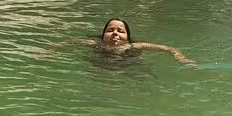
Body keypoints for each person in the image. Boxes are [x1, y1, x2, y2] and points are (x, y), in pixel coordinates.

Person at [42, 18, 195, 66]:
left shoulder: (135, 45)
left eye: (120, 31)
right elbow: (68, 43)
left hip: (128, 66)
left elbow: (167, 48)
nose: (115, 33)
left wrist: (180, 57)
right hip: (101, 66)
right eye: (110, 30)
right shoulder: (94, 44)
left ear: (127, 37)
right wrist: (49, 51)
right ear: (103, 36)